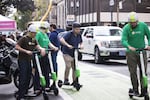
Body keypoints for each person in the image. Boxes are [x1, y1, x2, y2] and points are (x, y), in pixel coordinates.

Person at [121, 12, 150, 96]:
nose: (133, 24)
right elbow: (123, 40)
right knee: (133, 72)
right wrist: (128, 46)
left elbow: (149, 36)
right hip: (131, 53)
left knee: (143, 71)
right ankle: (135, 89)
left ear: (137, 21)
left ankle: (144, 89)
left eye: (134, 22)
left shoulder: (143, 26)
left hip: (142, 51)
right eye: (131, 22)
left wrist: (149, 44)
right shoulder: (126, 28)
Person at [15, 24, 46, 100]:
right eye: (33, 33)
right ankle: (21, 95)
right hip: (22, 60)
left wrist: (41, 49)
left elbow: (37, 46)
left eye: (35, 33)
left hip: (29, 60)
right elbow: (17, 47)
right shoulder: (24, 39)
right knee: (23, 77)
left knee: (29, 76)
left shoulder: (34, 39)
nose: (34, 34)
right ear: (29, 32)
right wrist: (26, 51)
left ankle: (25, 92)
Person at [33, 23, 58, 94]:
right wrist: (40, 49)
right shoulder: (38, 34)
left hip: (46, 55)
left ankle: (47, 85)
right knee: (38, 72)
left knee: (46, 71)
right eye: (42, 28)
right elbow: (35, 42)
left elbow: (49, 43)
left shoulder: (46, 35)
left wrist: (54, 48)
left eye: (45, 28)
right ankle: (37, 87)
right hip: (39, 55)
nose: (44, 30)